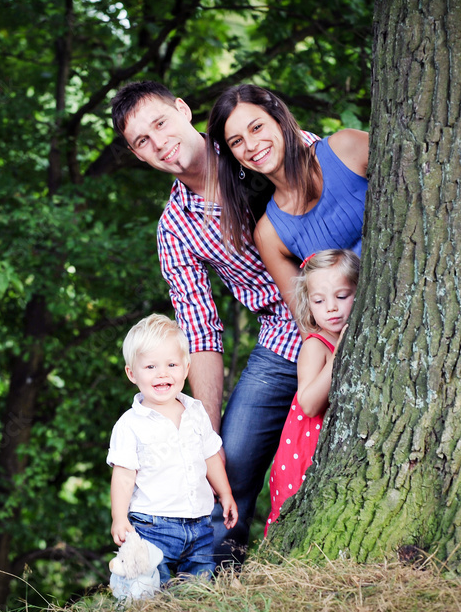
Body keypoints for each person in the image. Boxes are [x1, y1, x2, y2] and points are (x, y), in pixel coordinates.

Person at [110, 82, 319, 568]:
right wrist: (201, 429)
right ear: (139, 156)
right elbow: (200, 334)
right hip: (282, 337)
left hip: (346, 309)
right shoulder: (175, 229)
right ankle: (215, 577)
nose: (158, 142)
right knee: (232, 460)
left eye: (160, 122)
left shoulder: (252, 143)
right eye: (142, 141)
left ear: (182, 110)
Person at [206, 84, 369, 318]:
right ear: (234, 157)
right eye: (236, 142)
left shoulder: (346, 147)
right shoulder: (269, 234)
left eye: (257, 127)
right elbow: (308, 324)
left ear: (279, 120)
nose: (251, 146)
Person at [107, 314, 238, 584]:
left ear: (186, 368)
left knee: (197, 589)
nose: (162, 373)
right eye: (151, 366)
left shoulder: (195, 411)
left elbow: (211, 456)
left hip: (200, 523)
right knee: (150, 588)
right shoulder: (130, 424)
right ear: (132, 373)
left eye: (171, 364)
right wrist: (119, 517)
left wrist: (225, 493)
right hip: (152, 527)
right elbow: (123, 476)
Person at [263, 250, 360, 534]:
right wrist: (337, 355)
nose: (331, 307)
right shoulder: (316, 346)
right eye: (319, 300)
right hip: (304, 451)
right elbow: (308, 404)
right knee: (295, 519)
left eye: (342, 296)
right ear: (309, 304)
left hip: (335, 448)